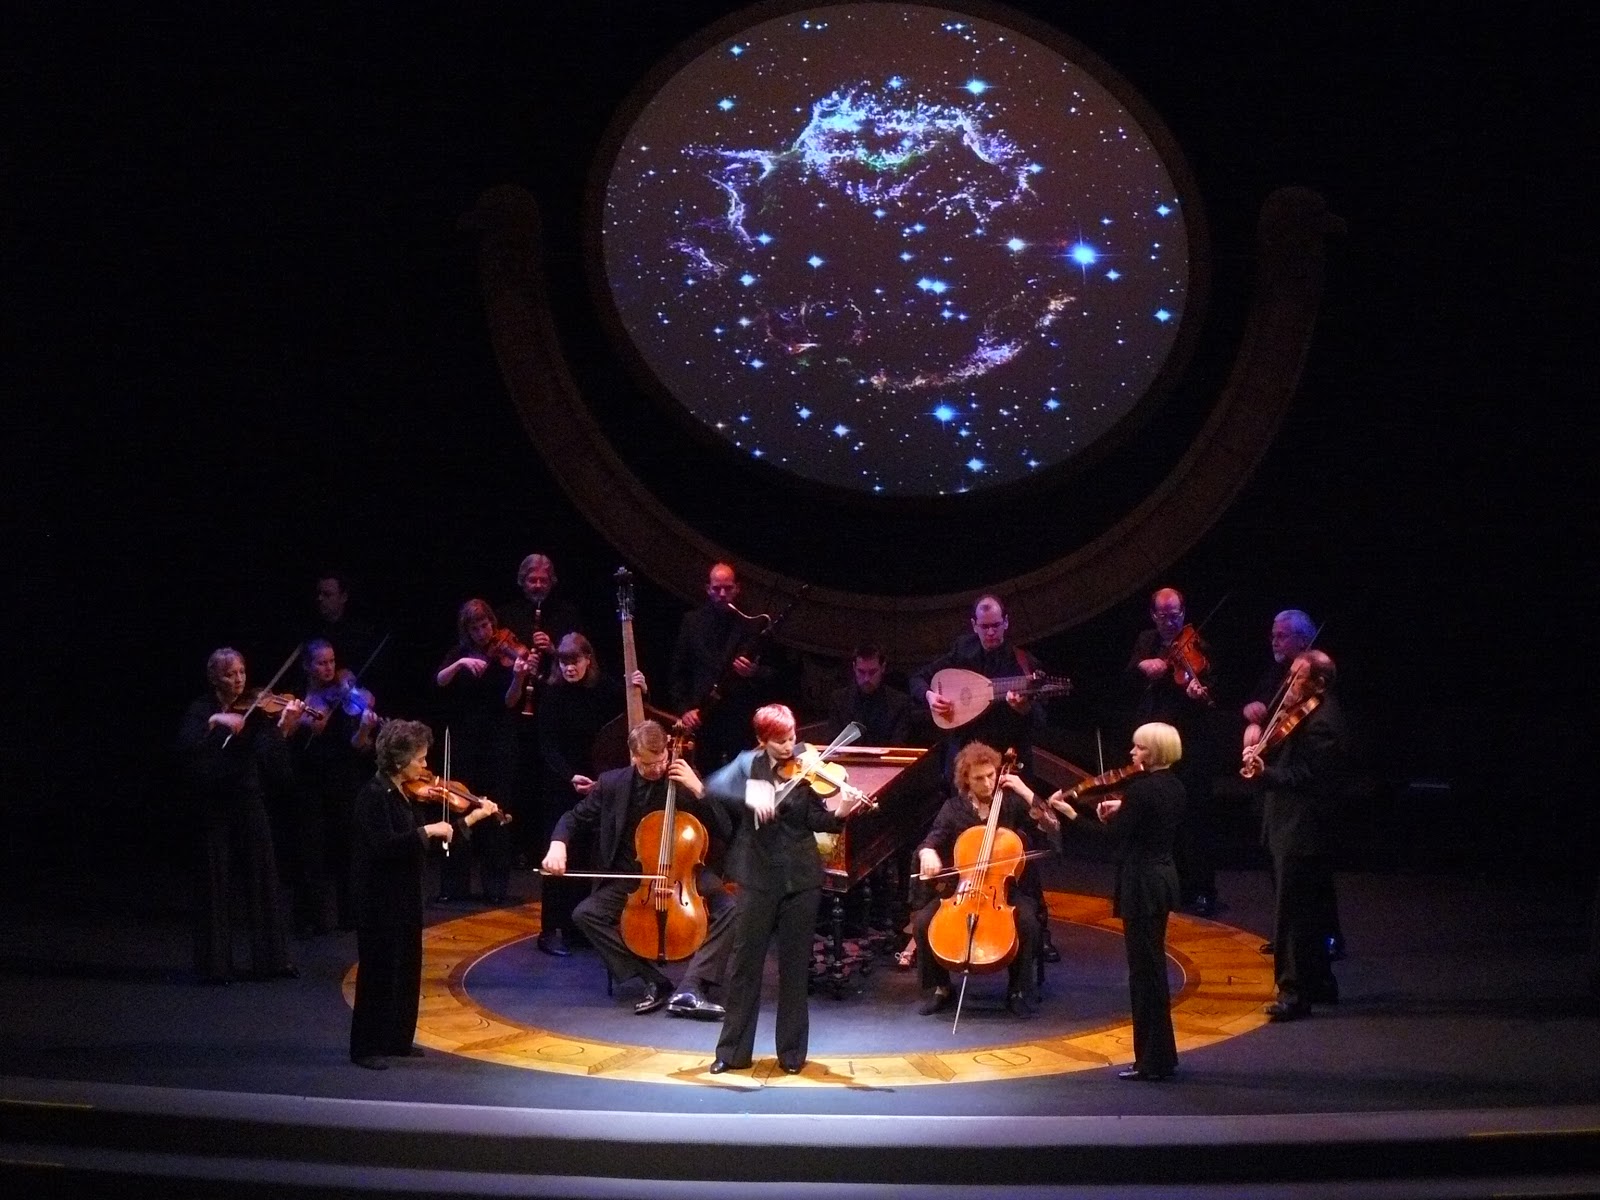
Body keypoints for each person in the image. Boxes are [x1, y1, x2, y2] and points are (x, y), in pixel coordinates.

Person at [705, 704, 873, 1074]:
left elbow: (818, 819)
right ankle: (732, 1052)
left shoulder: (805, 769)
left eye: (792, 737)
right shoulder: (748, 767)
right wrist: (753, 796)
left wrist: (842, 811)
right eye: (779, 741)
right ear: (762, 740)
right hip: (757, 878)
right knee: (745, 967)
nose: (789, 747)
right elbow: (714, 787)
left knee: (795, 969)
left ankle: (792, 1054)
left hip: (801, 879)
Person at [542, 719, 734, 1018]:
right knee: (585, 914)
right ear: (633, 756)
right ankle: (653, 980)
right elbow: (574, 818)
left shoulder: (684, 778)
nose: (658, 769)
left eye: (662, 761)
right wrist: (558, 844)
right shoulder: (612, 783)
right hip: (634, 876)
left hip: (685, 871)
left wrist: (700, 790)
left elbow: (725, 828)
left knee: (730, 908)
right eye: (648, 764)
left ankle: (692, 986)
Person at [1047, 723, 1186, 1081]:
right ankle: (1160, 1057)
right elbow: (1143, 821)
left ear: (1154, 752)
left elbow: (1109, 837)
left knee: (1145, 975)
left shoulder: (1140, 790)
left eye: (1139, 748)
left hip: (1141, 885)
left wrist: (1069, 814)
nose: (1132, 753)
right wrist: (1123, 808)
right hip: (1162, 879)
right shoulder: (1173, 785)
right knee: (1152, 971)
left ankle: (1152, 1062)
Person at [174, 648, 302, 985]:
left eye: (242, 672)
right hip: (213, 803)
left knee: (262, 876)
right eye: (230, 674)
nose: (239, 679)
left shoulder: (257, 712)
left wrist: (284, 729)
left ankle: (272, 961)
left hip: (247, 798)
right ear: (214, 678)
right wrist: (217, 720)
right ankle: (215, 965)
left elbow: (272, 765)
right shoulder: (201, 709)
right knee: (215, 881)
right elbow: (186, 746)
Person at [911, 741, 1060, 1018]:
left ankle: (1017, 990)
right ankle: (941, 987)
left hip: (1006, 888)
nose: (988, 783)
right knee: (922, 923)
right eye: (979, 778)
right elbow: (932, 839)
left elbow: (1051, 825)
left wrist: (1024, 790)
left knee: (1027, 922)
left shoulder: (1011, 802)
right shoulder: (954, 808)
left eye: (991, 775)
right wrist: (927, 852)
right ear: (966, 779)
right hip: (964, 888)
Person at [1242, 650, 1347, 1021]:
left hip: (1302, 828)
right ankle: (1320, 983)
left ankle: (1293, 993)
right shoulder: (1304, 713)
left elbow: (1307, 777)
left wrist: (1264, 772)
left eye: (1296, 678)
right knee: (1309, 910)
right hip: (1292, 825)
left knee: (1292, 914)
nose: (1288, 683)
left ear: (1318, 683)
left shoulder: (1322, 723)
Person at [348, 720, 456, 1069]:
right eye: (420, 759)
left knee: (406, 968)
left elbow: (412, 845)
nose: (425, 766)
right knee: (378, 971)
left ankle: (397, 1040)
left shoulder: (401, 794)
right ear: (399, 760)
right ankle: (366, 1047)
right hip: (379, 898)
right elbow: (385, 846)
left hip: (404, 895)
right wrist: (427, 831)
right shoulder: (373, 795)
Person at [534, 632, 646, 956]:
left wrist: (640, 688)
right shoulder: (551, 694)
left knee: (589, 856)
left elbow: (633, 712)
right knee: (559, 855)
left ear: (588, 659)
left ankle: (579, 927)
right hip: (561, 783)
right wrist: (570, 776)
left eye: (575, 662)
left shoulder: (603, 689)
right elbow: (547, 745)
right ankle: (550, 930)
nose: (569, 668)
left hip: (597, 782)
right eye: (563, 662)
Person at [1126, 587, 1220, 916]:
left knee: (1193, 816)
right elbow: (1129, 677)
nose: (1171, 621)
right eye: (1164, 615)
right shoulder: (1146, 641)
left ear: (1184, 612)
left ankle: (1203, 890)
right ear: (1154, 616)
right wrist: (1143, 666)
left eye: (1176, 614)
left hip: (1188, 743)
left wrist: (1198, 694)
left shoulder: (1200, 645)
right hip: (1154, 746)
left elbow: (1213, 690)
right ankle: (1172, 889)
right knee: (1161, 818)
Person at [433, 599, 520, 904]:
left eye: (485, 626)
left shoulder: (505, 655)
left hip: (497, 741)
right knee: (460, 808)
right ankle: (454, 885)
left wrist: (519, 676)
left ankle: (495, 887)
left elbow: (510, 701)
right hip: (464, 742)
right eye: (475, 628)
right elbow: (439, 680)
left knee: (495, 811)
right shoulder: (459, 654)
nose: (483, 633)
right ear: (467, 630)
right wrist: (460, 664)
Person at [909, 595, 1050, 776]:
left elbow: (1040, 722)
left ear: (1006, 622)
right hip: (964, 756)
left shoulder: (1023, 663)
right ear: (974, 625)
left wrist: (1024, 709)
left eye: (996, 625)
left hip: (1006, 759)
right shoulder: (963, 649)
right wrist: (929, 696)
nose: (990, 632)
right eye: (984, 626)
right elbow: (918, 678)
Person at [670, 562, 774, 774]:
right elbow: (678, 672)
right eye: (717, 589)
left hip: (739, 720)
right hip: (703, 719)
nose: (722, 594)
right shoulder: (691, 622)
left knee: (743, 778)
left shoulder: (752, 624)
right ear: (708, 589)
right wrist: (685, 709)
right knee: (706, 778)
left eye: (728, 588)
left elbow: (773, 674)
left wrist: (753, 671)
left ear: (737, 589)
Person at [825, 644, 919, 746]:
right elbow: (834, 742)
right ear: (854, 668)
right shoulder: (839, 700)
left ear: (883, 668)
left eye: (872, 672)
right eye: (861, 672)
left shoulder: (900, 703)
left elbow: (899, 745)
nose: (866, 679)